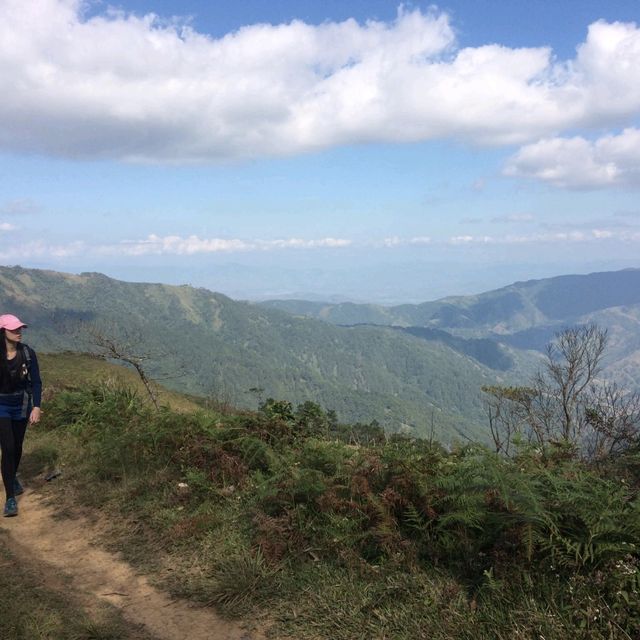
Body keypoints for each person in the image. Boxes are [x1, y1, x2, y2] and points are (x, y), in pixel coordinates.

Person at [0, 314, 42, 517]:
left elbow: (36, 382)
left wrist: (36, 407)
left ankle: (12, 476)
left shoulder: (27, 353)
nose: (19, 332)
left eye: (20, 329)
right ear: (3, 332)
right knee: (7, 447)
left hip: (22, 405)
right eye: (14, 329)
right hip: (1, 405)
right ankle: (10, 498)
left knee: (16, 446)